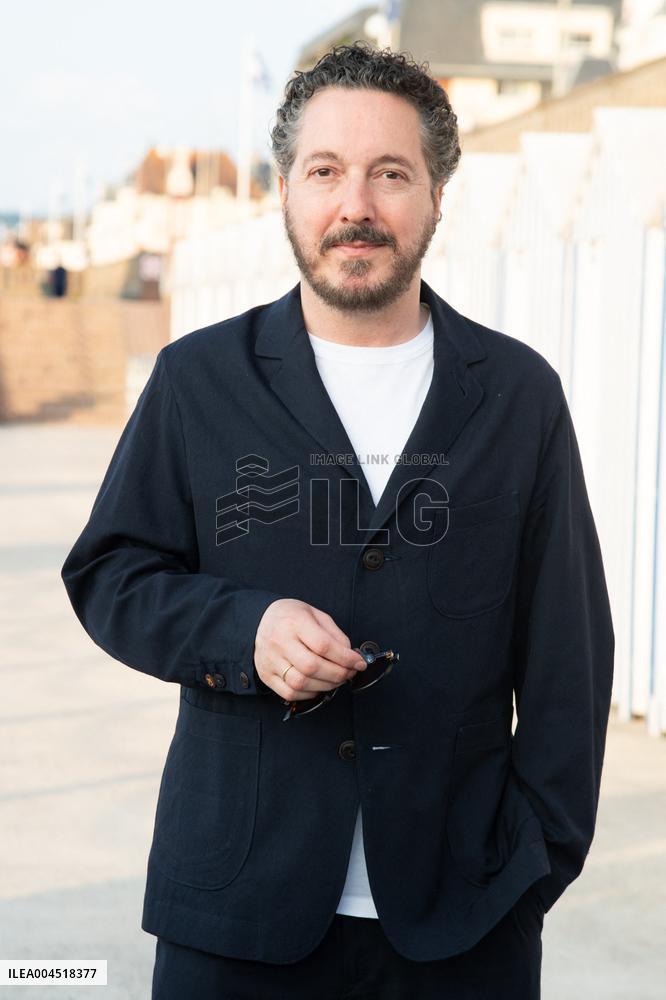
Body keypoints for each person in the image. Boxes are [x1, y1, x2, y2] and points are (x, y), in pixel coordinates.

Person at [61, 41, 615, 1000]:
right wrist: (244, 630)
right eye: (325, 171)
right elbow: (112, 573)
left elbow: (570, 656)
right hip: (235, 915)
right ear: (284, 191)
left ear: (436, 196)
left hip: (463, 924)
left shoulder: (520, 395)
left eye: (390, 173)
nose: (355, 204)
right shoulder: (198, 379)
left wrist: (534, 866)